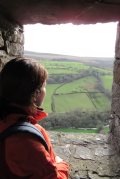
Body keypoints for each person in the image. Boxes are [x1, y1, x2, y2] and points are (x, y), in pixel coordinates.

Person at [0, 58, 69, 178]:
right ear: (36, 94)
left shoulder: (5, 118)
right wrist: (61, 164)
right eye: (44, 86)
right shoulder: (26, 140)